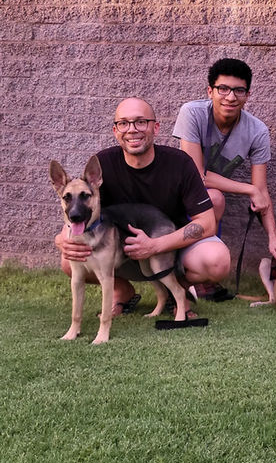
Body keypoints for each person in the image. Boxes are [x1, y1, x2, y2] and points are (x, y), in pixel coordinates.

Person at [55, 97, 231, 317]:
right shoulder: (103, 165)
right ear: (115, 130)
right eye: (124, 123)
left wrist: (155, 245)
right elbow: (83, 208)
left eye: (141, 122)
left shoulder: (179, 163)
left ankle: (178, 292)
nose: (132, 130)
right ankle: (122, 291)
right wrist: (63, 237)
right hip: (126, 250)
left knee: (217, 261)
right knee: (69, 260)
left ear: (155, 127)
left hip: (174, 244)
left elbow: (207, 224)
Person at [172, 58, 276, 270]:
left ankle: (202, 269)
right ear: (210, 91)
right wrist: (249, 189)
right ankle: (197, 266)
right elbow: (197, 176)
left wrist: (273, 237)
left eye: (239, 91)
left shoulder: (257, 131)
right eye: (223, 89)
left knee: (214, 198)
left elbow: (261, 190)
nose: (231, 97)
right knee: (214, 197)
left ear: (247, 95)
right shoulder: (193, 113)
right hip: (176, 190)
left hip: (207, 202)